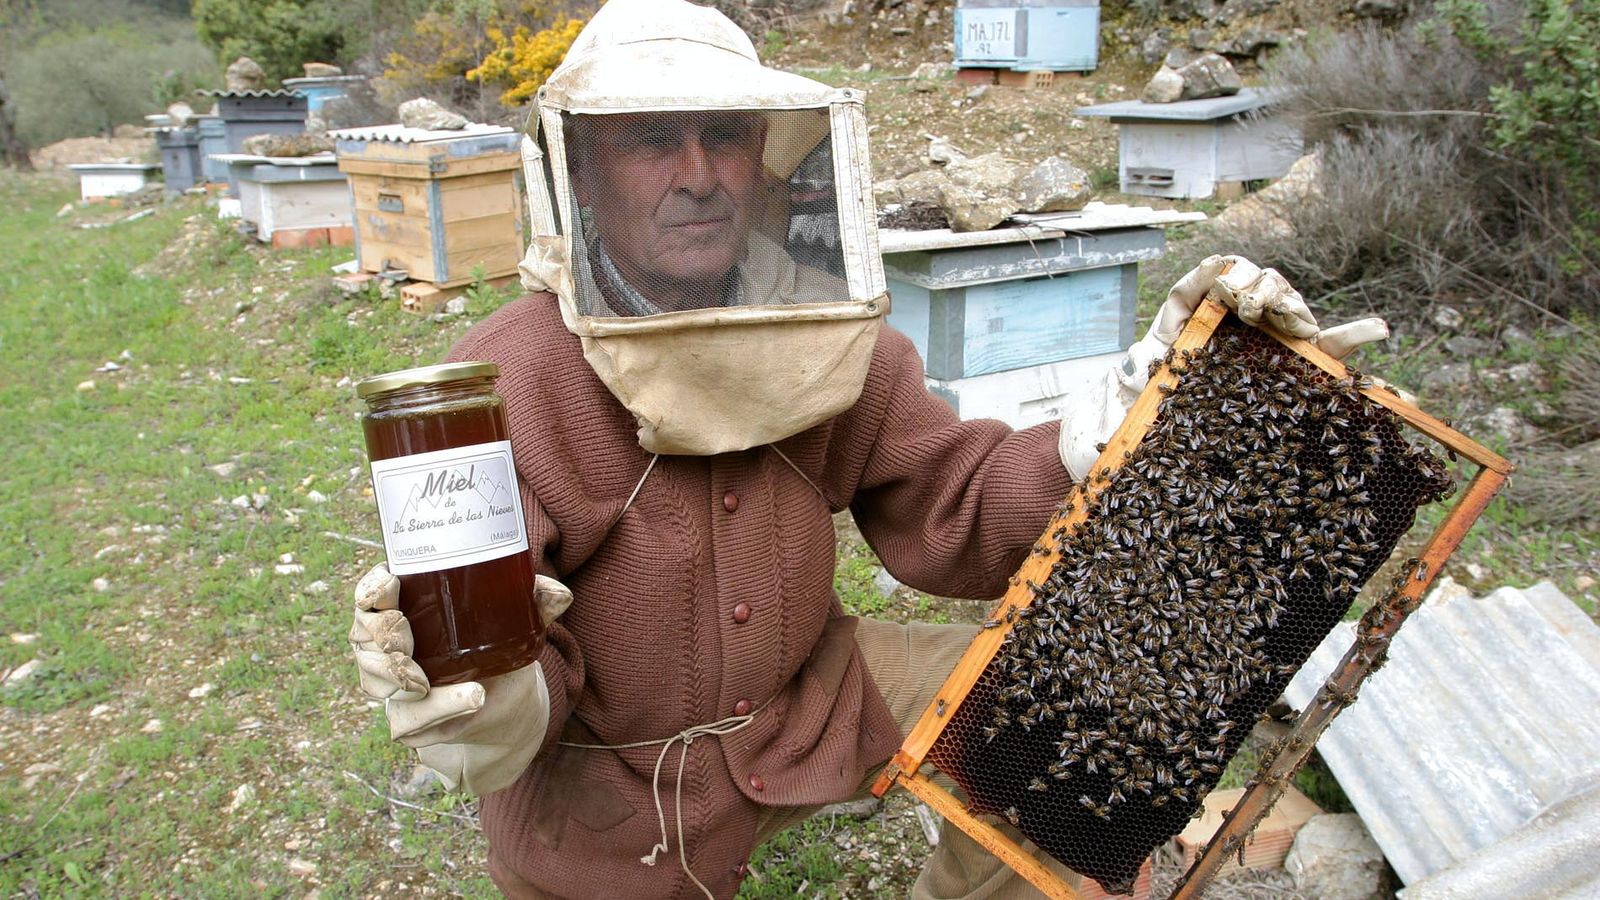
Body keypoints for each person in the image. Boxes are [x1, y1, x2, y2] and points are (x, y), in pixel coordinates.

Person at [348, 1, 1391, 897]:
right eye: (652, 139)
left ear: (767, 158)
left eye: (724, 135)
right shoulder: (505, 379)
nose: (699, 173)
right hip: (613, 790)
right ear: (579, 170)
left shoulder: (825, 330)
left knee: (1062, 711)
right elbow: (491, 637)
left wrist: (1115, 415)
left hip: (814, 700)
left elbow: (954, 507)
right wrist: (476, 696)